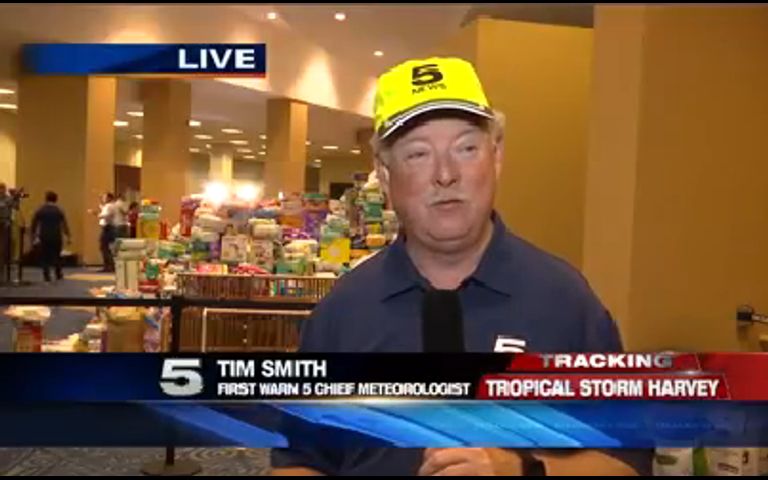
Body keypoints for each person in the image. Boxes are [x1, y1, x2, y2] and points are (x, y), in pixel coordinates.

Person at [271, 57, 650, 475]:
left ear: (496, 156)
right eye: (418, 154)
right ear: (385, 174)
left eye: (466, 148)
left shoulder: (564, 300)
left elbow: (627, 462)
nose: (446, 174)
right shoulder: (341, 312)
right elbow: (299, 460)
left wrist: (521, 470)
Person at [31, 191, 70, 282]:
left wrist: (34, 236)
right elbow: (64, 224)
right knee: (57, 255)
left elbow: (34, 223)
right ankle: (58, 273)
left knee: (45, 256)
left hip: (44, 235)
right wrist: (68, 235)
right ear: (56, 199)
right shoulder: (59, 210)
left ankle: (46, 275)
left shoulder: (41, 210)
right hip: (56, 235)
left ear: (46, 199)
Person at [97, 192, 116, 272]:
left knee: (104, 247)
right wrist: (101, 207)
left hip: (107, 228)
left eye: (105, 197)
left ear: (109, 198)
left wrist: (97, 214)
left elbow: (106, 215)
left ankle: (108, 266)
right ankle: (110, 265)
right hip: (109, 227)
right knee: (106, 247)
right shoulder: (109, 206)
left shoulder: (109, 206)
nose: (103, 199)